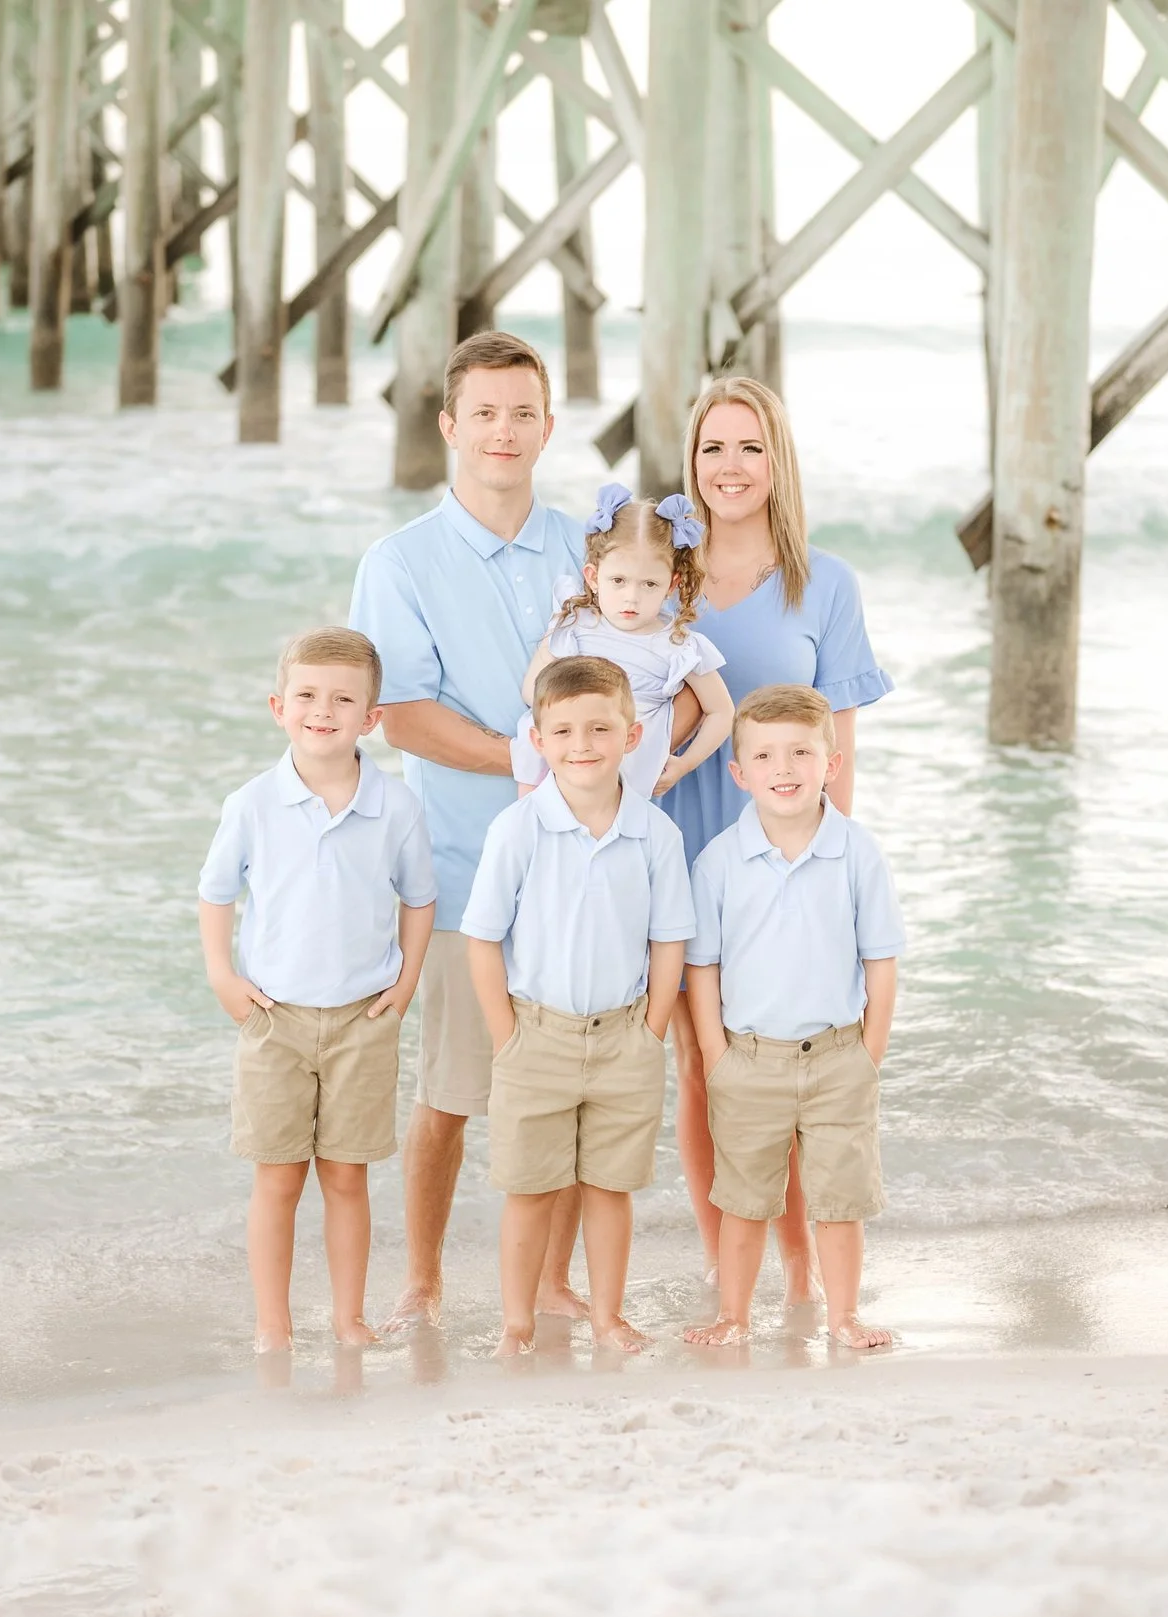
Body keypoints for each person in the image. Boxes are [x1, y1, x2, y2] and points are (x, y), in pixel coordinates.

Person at [346, 331, 592, 1331]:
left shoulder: (586, 549)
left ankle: (553, 1282)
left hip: (586, 869)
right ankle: (423, 1281)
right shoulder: (400, 562)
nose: (504, 431)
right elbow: (401, 716)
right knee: (449, 1093)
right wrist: (529, 762)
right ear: (449, 426)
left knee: (570, 1090)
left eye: (522, 413)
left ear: (547, 426)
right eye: (484, 413)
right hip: (463, 869)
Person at [658, 376, 894, 1293]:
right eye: (713, 447)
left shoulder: (824, 584)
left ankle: (800, 1270)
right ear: (692, 462)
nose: (731, 466)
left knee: (797, 1064)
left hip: (792, 860)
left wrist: (835, 873)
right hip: (676, 848)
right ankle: (725, 1263)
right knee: (703, 1064)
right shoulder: (662, 577)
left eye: (750, 447)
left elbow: (840, 747)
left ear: (778, 461)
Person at [197, 629, 437, 1352]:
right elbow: (216, 892)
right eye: (305, 695)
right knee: (277, 1180)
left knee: (345, 1177)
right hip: (275, 1019)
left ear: (372, 717)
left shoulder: (396, 806)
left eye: (342, 699)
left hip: (364, 1018)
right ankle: (273, 1323)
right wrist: (222, 975)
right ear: (279, 707)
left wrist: (406, 982)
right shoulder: (252, 804)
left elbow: (419, 897)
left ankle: (348, 1318)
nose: (322, 710)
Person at [461, 657, 694, 1355]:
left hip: (626, 1036)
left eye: (600, 728)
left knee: (610, 1188)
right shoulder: (518, 828)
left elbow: (669, 940)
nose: (582, 744)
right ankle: (517, 1324)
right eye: (562, 731)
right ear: (537, 740)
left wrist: (652, 1030)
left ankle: (607, 1317)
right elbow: (482, 939)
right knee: (529, 1189)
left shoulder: (656, 833)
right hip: (536, 1034)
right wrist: (507, 1036)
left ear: (632, 735)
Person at [680, 686, 900, 1351]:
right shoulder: (719, 861)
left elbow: (881, 960)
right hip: (748, 1060)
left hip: (839, 1057)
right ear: (739, 772)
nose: (784, 768)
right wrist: (716, 1056)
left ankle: (843, 1316)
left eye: (801, 752)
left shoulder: (857, 851)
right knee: (743, 1199)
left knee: (840, 1200)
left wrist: (869, 1052)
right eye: (765, 755)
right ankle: (734, 1316)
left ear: (831, 764)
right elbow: (702, 968)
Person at [509, 483, 736, 802]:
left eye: (649, 584)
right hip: (567, 752)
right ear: (593, 576)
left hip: (625, 773)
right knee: (530, 729)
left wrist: (685, 763)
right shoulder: (577, 623)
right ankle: (531, 812)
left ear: (671, 585)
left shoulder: (677, 645)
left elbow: (721, 711)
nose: (632, 597)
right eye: (618, 580)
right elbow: (531, 690)